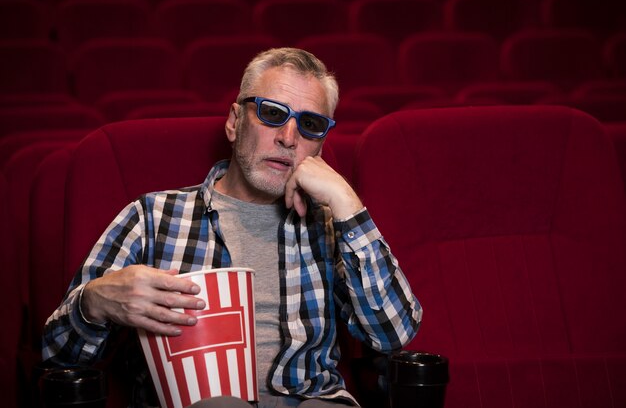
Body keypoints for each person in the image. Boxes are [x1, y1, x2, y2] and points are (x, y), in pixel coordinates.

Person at [42, 48, 422, 407]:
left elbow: (393, 334)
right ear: (234, 121)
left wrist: (347, 203)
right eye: (272, 113)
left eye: (310, 125)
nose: (288, 138)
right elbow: (57, 357)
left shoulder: (331, 225)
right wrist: (93, 302)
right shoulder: (153, 217)